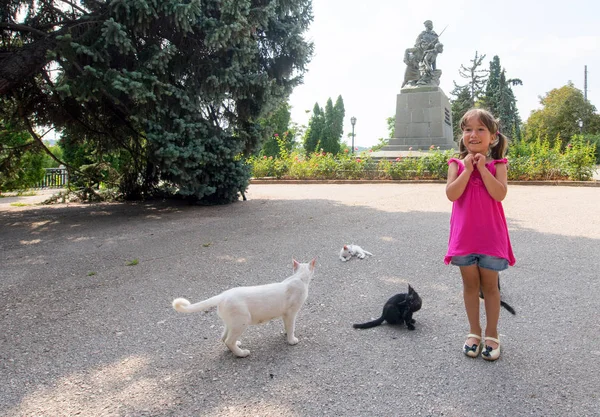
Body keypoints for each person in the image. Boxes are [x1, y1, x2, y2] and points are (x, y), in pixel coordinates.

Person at [444, 108, 516, 361]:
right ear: (462, 135)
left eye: (480, 129)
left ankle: (492, 333)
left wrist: (483, 169)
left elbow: (499, 194)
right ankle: (474, 331)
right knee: (470, 286)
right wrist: (467, 170)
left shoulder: (499, 165)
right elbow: (452, 194)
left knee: (491, 288)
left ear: (493, 136)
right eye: (467, 130)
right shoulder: (455, 164)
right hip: (464, 239)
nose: (473, 135)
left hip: (491, 239)